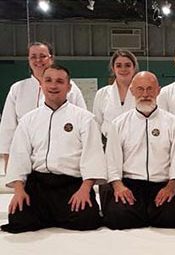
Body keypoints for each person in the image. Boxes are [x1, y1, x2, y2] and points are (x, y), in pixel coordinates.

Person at [0, 64, 106, 233]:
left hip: (71, 185)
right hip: (38, 184)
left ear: (69, 87)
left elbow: (92, 156)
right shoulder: (29, 120)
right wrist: (19, 191)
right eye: (48, 80)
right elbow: (20, 156)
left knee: (87, 219)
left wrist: (85, 190)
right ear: (41, 85)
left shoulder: (85, 119)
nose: (53, 85)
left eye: (59, 81)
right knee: (19, 219)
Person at [102, 71, 175, 230]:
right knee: (117, 217)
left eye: (150, 89)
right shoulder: (119, 123)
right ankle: (145, 213)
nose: (145, 94)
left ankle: (148, 213)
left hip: (162, 185)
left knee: (173, 217)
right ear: (132, 91)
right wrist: (118, 186)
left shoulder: (173, 123)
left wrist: (171, 186)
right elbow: (111, 160)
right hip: (130, 185)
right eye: (140, 89)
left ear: (158, 91)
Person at [0, 42, 87, 169]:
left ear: (51, 58)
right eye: (33, 56)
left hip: (63, 159)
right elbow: (8, 127)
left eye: (43, 56)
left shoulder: (71, 88)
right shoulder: (18, 89)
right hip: (24, 156)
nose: (38, 60)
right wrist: (8, 161)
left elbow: (83, 123)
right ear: (28, 60)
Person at [93, 49, 138, 135]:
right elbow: (96, 125)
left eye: (127, 65)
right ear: (113, 69)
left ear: (134, 68)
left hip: (136, 144)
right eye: (119, 65)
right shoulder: (102, 94)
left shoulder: (142, 93)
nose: (123, 69)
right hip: (108, 144)